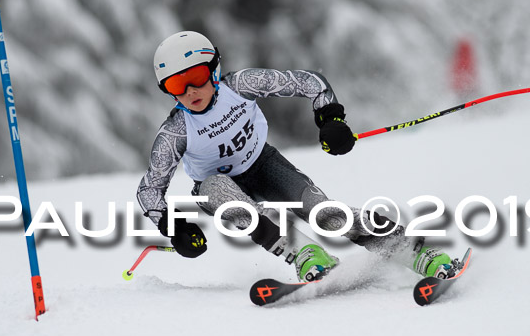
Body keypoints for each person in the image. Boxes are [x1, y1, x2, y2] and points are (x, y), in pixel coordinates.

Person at [137, 30, 455, 282]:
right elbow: (149, 190)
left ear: (214, 70)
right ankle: (305, 254)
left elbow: (310, 83)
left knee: (324, 214)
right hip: (217, 191)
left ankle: (416, 251)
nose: (190, 91)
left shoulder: (241, 85)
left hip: (264, 164)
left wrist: (331, 119)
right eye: (177, 84)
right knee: (215, 186)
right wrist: (174, 226)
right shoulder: (176, 131)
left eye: (196, 77)